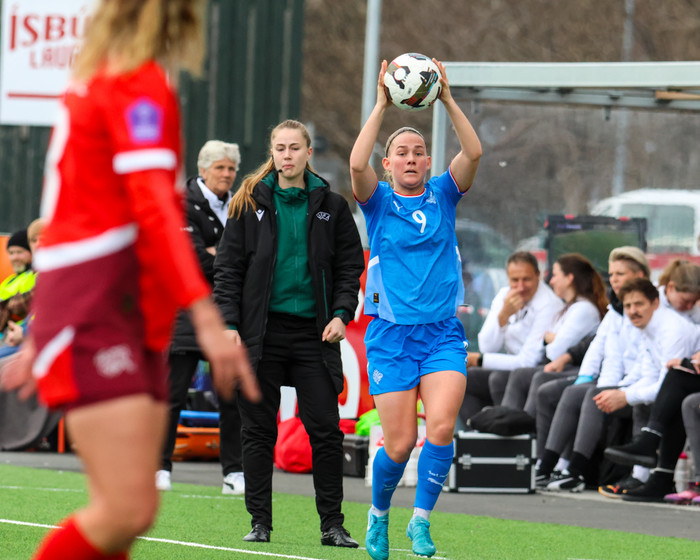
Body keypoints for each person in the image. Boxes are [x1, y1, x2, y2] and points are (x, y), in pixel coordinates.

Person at [0, 3, 260, 560]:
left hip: (114, 308)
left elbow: (79, 214)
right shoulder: (134, 84)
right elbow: (152, 209)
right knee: (125, 508)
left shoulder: (112, 78)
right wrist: (207, 317)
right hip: (95, 310)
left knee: (131, 510)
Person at [349, 58, 482, 559]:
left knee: (442, 427)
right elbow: (356, 165)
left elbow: (474, 151)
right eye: (401, 153)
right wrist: (382, 104)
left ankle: (420, 521)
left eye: (418, 153)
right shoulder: (378, 202)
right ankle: (379, 515)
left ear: (429, 163)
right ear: (388, 164)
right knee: (400, 443)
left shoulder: (444, 194)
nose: (410, 158)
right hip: (391, 336)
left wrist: (445, 97)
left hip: (442, 333)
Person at [214, 119, 364, 547]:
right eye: (280, 148)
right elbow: (227, 270)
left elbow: (350, 267)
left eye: (294, 148)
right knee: (258, 432)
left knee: (327, 432)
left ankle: (332, 525)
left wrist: (341, 314)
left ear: (308, 153)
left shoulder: (333, 206)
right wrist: (229, 324)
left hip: (315, 336)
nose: (287, 155)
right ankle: (260, 522)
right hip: (261, 336)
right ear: (272, 153)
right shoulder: (247, 203)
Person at [541, 279, 696, 493]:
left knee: (638, 402)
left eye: (639, 304)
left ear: (655, 303)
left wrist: (625, 396)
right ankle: (550, 467)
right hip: (667, 389)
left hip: (685, 389)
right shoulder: (647, 327)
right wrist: (621, 392)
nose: (632, 311)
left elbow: (667, 387)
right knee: (596, 394)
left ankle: (583, 472)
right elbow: (646, 374)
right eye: (628, 305)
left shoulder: (672, 330)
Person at [157, 140, 246, 495]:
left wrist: (214, 253)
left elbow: (248, 257)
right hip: (186, 312)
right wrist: (228, 257)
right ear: (203, 169)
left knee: (232, 395)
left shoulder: (242, 204)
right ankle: (160, 467)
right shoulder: (179, 203)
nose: (227, 174)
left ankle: (234, 472)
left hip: (229, 312)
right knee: (173, 393)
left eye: (231, 168)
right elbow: (188, 259)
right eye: (220, 168)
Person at [533, 247, 649, 465]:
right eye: (612, 274)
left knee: (586, 395)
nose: (613, 279)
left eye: (620, 274)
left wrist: (611, 388)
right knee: (562, 390)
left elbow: (644, 359)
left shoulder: (646, 309)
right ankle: (546, 463)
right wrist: (586, 378)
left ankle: (572, 468)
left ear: (640, 275)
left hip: (637, 382)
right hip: (615, 378)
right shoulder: (616, 308)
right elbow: (601, 349)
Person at [459, 251, 563, 422]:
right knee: (464, 377)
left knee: (498, 378)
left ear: (538, 275)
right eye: (515, 280)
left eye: (526, 279)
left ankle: (504, 429)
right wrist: (503, 317)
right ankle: (476, 430)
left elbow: (528, 361)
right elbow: (487, 347)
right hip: (512, 365)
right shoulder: (504, 295)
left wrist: (479, 359)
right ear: (508, 279)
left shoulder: (549, 304)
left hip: (536, 368)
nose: (520, 287)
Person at [497, 253, 607, 412]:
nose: (551, 281)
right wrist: (550, 339)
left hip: (574, 368)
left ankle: (520, 422)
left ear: (569, 278)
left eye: (555, 275)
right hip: (560, 365)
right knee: (500, 377)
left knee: (525, 376)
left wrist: (550, 339)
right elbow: (546, 343)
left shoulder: (584, 309)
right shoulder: (569, 308)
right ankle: (502, 419)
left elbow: (554, 351)